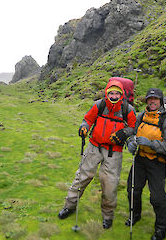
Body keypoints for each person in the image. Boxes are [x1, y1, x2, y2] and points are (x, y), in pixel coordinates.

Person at [58, 80, 136, 229]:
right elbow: (88, 119)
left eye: (117, 93)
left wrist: (123, 132)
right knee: (82, 177)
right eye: (111, 93)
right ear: (107, 93)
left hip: (114, 152)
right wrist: (84, 127)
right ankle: (69, 206)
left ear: (121, 94)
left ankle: (108, 216)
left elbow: (133, 128)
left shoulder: (128, 109)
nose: (114, 96)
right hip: (94, 147)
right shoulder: (99, 105)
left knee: (110, 184)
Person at [126, 88, 166, 240]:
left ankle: (161, 229)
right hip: (140, 160)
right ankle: (135, 215)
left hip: (157, 163)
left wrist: (151, 144)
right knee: (133, 190)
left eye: (155, 99)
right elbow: (132, 134)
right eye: (149, 99)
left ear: (160, 101)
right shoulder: (141, 116)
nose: (152, 101)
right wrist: (130, 143)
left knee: (157, 197)